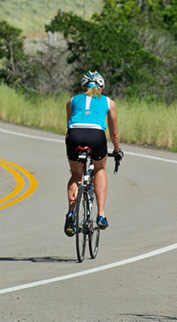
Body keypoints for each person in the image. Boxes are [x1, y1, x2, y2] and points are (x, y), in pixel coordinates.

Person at [64, 70, 121, 236]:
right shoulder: (109, 102)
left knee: (76, 174)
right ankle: (101, 215)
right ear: (101, 87)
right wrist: (117, 151)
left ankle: (71, 213)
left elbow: (70, 124)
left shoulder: (72, 100)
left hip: (74, 135)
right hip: (96, 135)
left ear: (83, 87)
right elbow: (114, 134)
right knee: (100, 169)